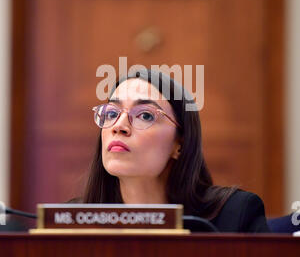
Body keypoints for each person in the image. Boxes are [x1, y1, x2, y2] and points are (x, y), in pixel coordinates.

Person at [68, 68, 270, 233]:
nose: (119, 126)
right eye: (112, 113)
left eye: (145, 115)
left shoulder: (235, 217)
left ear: (179, 144)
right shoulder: (70, 221)